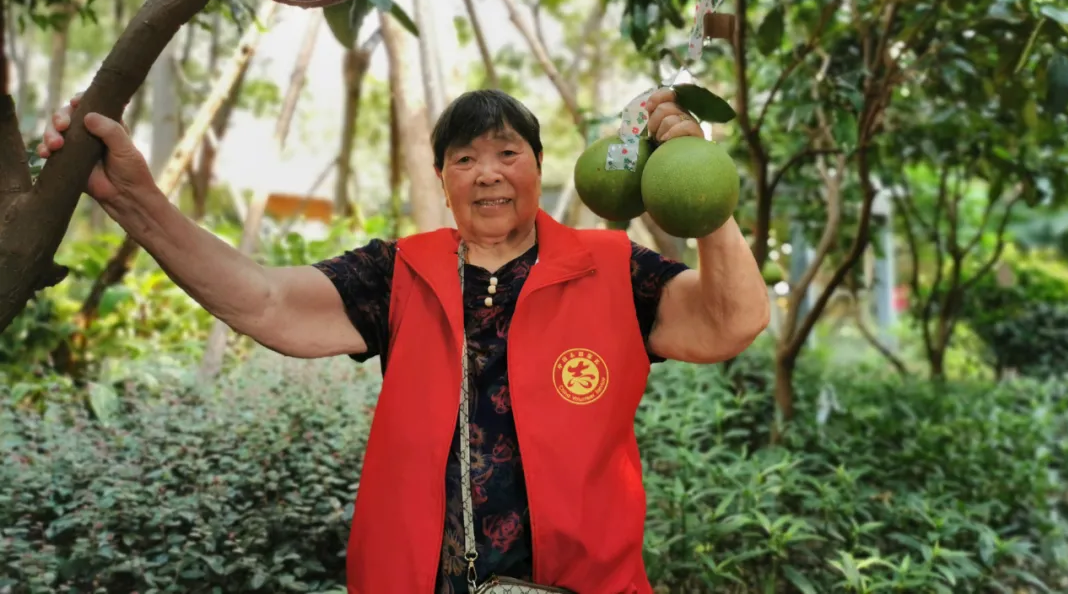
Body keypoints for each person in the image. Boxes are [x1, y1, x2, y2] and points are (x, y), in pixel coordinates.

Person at [39, 87, 769, 594]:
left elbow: (728, 321)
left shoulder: (612, 268)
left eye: (507, 154)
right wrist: (134, 200)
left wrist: (695, 182)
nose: (487, 174)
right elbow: (262, 301)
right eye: (463, 159)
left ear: (538, 169)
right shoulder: (399, 272)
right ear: (443, 178)